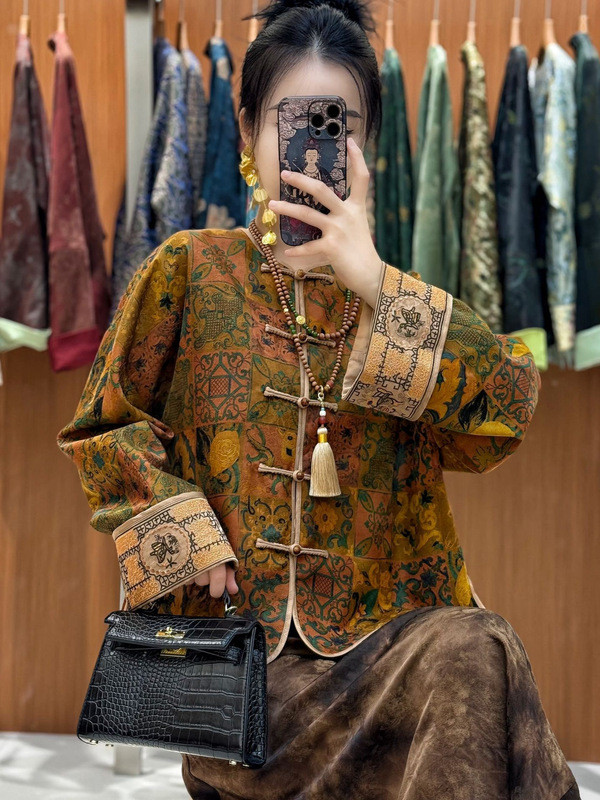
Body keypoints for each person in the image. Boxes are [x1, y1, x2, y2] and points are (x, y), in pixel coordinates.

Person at [56, 1, 581, 798]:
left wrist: (375, 283)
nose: (311, 151)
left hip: (388, 665)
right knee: (485, 672)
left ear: (368, 146)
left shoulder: (395, 303)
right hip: (238, 685)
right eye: (291, 123)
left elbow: (509, 410)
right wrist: (185, 531)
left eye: (339, 127)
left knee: (478, 647)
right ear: (247, 133)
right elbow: (103, 429)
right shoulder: (190, 271)